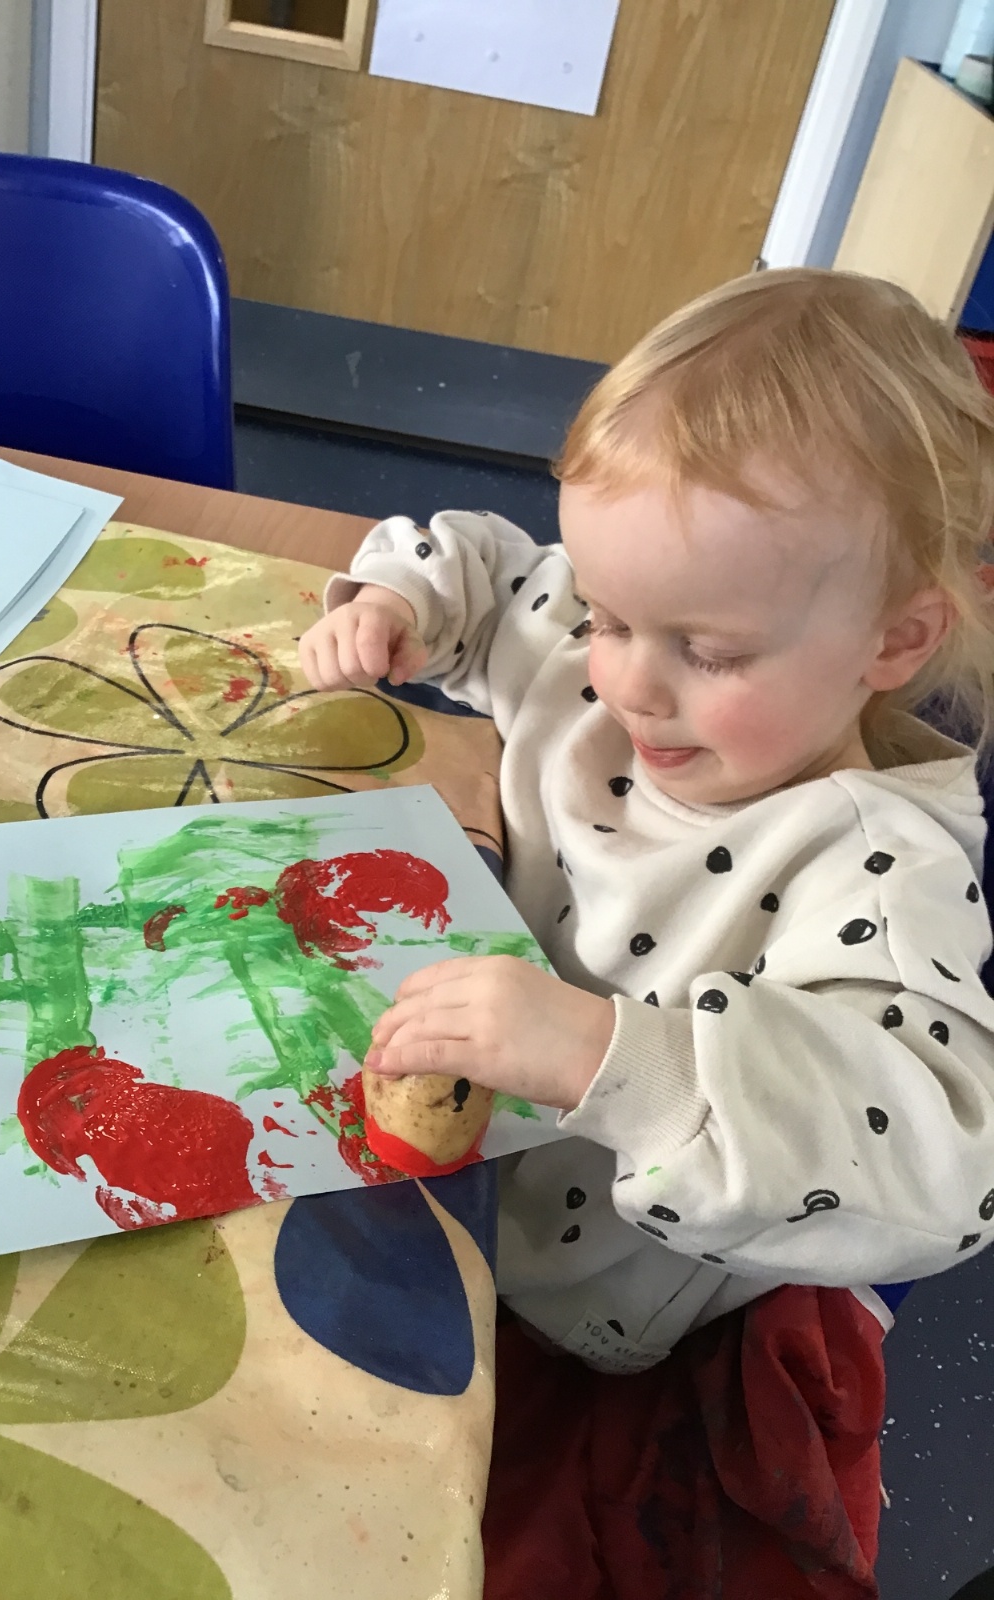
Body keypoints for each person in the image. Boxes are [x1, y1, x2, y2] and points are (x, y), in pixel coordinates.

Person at [298, 269, 994, 1598]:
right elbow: (495, 570)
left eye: (708, 652)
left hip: (591, 1305)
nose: (623, 680)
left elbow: (947, 1162)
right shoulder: (605, 646)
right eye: (613, 618)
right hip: (433, 1182)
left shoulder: (874, 867)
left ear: (895, 638)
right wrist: (396, 603)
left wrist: (608, 1055)